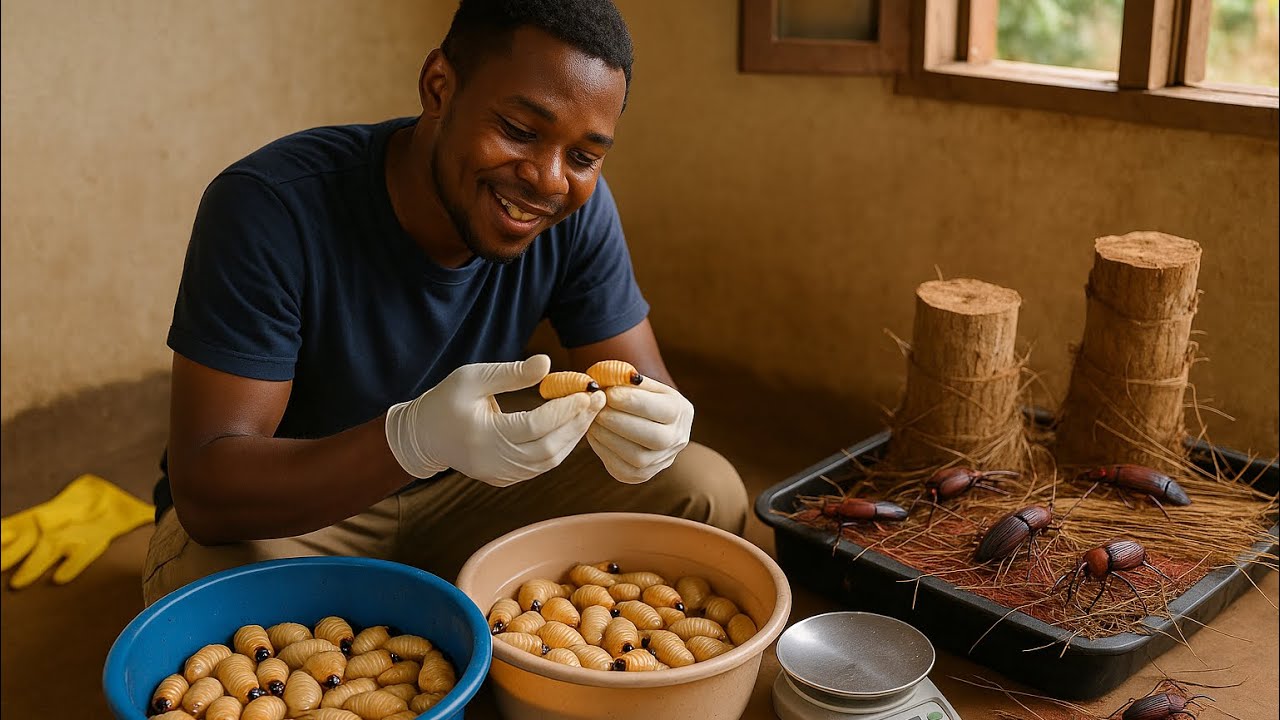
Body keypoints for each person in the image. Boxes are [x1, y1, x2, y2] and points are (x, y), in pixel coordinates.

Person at [141, 0, 749, 605]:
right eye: (518, 131)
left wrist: (659, 424)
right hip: (308, 515)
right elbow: (208, 492)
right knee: (206, 579)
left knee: (703, 489)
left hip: (476, 488)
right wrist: (410, 440)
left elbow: (647, 389)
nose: (548, 179)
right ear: (439, 87)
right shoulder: (270, 206)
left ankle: (441, 601)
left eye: (584, 156)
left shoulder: (572, 214)